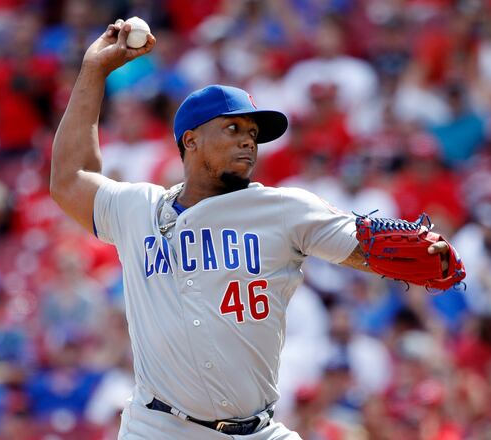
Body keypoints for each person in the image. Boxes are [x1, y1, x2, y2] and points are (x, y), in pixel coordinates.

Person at [50, 20, 459, 439]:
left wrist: (415, 253)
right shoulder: (139, 207)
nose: (248, 142)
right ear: (190, 140)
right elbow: (69, 179)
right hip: (159, 427)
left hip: (256, 431)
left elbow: (365, 244)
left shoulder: (284, 209)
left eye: (253, 134)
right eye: (233, 129)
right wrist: (94, 71)